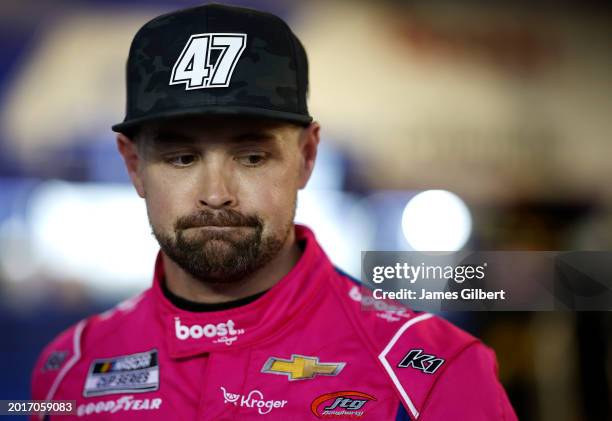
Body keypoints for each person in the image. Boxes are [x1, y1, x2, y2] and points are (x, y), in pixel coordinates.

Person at [31, 4, 518, 420]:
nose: (216, 194)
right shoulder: (68, 371)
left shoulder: (436, 372)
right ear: (134, 165)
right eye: (182, 158)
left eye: (252, 157)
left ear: (307, 157)